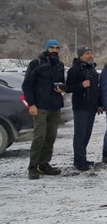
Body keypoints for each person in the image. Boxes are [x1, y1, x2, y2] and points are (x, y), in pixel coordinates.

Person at [22, 39, 66, 179]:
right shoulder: (37, 63)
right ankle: (33, 167)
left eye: (56, 48)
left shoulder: (59, 64)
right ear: (47, 48)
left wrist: (61, 88)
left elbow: (62, 83)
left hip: (55, 105)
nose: (54, 50)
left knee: (50, 137)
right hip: (40, 106)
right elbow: (27, 85)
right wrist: (32, 104)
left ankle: (44, 164)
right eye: (52, 48)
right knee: (39, 137)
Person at [65, 46, 101, 171]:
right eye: (87, 53)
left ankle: (82, 158)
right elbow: (68, 88)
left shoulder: (92, 70)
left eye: (91, 53)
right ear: (80, 56)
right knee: (80, 134)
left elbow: (96, 89)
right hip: (80, 106)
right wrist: (81, 85)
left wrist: (99, 103)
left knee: (87, 133)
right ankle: (79, 161)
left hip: (91, 106)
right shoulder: (74, 70)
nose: (90, 55)